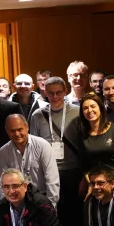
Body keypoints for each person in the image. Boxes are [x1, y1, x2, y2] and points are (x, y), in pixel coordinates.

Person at [30, 76, 81, 209]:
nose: (55, 96)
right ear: (45, 92)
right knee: (51, 209)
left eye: (59, 92)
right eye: (51, 93)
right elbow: (34, 146)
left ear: (65, 91)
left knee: (72, 209)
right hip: (48, 170)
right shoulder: (37, 115)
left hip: (72, 169)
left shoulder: (77, 112)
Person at [0, 115, 60, 206]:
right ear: (7, 131)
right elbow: (1, 181)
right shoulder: (3, 151)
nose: (17, 134)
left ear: (27, 127)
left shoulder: (43, 146)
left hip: (42, 197)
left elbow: (52, 179)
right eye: (12, 131)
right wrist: (7, 206)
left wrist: (51, 206)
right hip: (17, 200)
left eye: (20, 129)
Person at [75, 93, 114, 184]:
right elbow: (83, 163)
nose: (89, 110)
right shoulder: (82, 133)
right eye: (85, 108)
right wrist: (90, 184)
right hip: (95, 183)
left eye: (93, 106)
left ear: (100, 108)